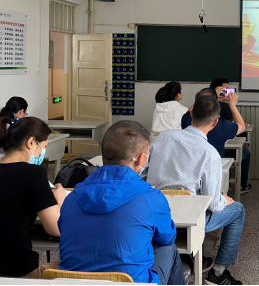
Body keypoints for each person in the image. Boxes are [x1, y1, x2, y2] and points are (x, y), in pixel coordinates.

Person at [58, 121, 188, 285]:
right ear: (141, 158)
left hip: (74, 282)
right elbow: (167, 237)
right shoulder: (150, 198)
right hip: (131, 282)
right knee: (169, 248)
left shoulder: (72, 197)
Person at [148, 95, 245, 286]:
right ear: (215, 122)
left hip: (156, 213)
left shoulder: (164, 137)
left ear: (190, 113)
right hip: (189, 220)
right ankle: (218, 272)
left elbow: (144, 171)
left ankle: (196, 258)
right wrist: (223, 200)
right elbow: (213, 204)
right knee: (238, 210)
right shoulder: (210, 153)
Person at [0, 116, 66, 279]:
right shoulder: (33, 174)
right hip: (17, 271)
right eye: (43, 147)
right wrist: (60, 198)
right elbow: (56, 228)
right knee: (76, 265)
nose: (42, 154)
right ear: (31, 142)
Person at [182, 88, 252, 194]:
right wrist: (232, 104)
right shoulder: (222, 126)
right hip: (214, 177)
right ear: (215, 121)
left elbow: (192, 110)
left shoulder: (186, 120)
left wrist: (206, 99)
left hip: (188, 177)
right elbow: (242, 126)